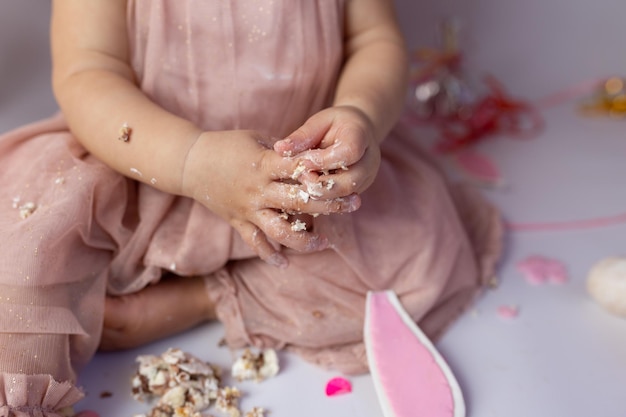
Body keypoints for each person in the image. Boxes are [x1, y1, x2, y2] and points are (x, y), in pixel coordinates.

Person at [0, 0, 502, 416]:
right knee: (26, 245)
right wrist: (192, 160)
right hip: (134, 165)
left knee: (418, 252)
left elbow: (374, 43)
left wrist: (360, 113)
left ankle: (203, 297)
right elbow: (87, 72)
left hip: (293, 177)